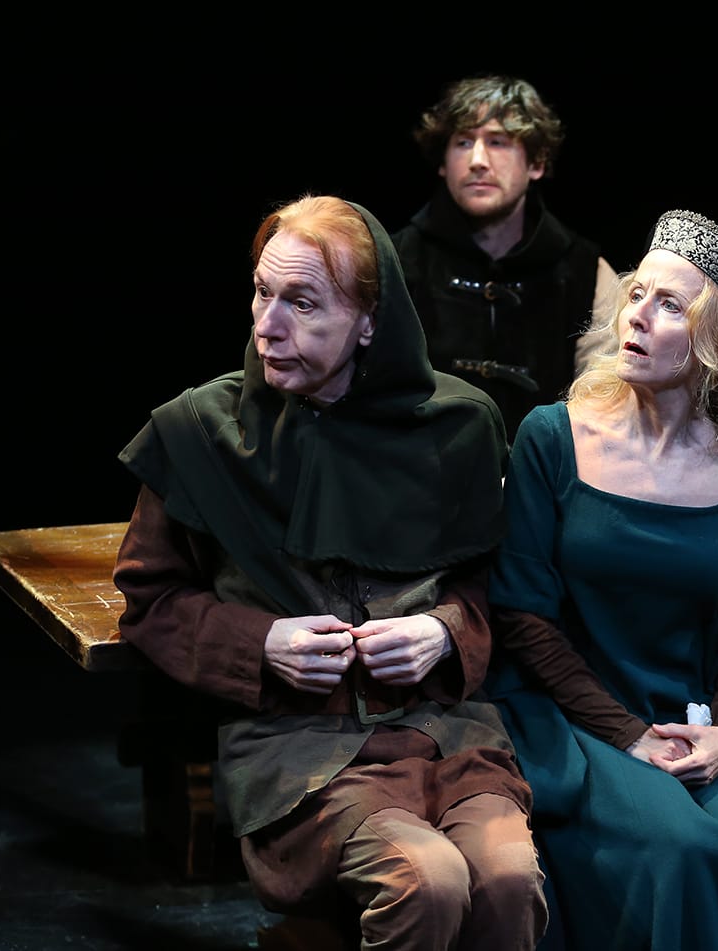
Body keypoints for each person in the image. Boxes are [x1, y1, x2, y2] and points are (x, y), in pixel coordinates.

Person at [112, 194, 547, 950]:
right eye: (261, 291)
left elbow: (489, 588)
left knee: (507, 882)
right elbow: (150, 601)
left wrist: (441, 633)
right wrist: (261, 642)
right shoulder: (200, 434)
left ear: (369, 321)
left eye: (303, 303)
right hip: (300, 752)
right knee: (427, 880)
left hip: (445, 736)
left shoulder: (457, 427)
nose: (268, 324)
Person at [482, 209, 718, 950]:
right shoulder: (552, 436)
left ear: (716, 339)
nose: (638, 317)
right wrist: (627, 736)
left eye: (670, 305)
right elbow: (523, 615)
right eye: (637, 295)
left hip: (701, 713)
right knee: (682, 850)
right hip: (573, 716)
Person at [392, 73, 619, 436]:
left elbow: (603, 405)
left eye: (498, 142)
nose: (478, 160)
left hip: (543, 479)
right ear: (442, 161)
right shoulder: (395, 261)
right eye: (463, 142)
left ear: (536, 163)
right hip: (420, 476)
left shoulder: (588, 273)